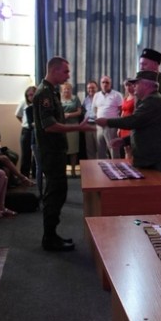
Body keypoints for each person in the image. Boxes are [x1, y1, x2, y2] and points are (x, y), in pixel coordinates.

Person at [96, 71, 161, 213]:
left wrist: (107, 121)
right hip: (157, 158)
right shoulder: (148, 101)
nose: (133, 86)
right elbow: (145, 129)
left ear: (146, 85)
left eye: (136, 83)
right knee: (159, 201)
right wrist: (124, 140)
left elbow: (134, 121)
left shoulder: (154, 101)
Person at [33, 56, 95, 251]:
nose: (68, 75)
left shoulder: (51, 91)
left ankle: (52, 235)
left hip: (57, 150)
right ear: (54, 70)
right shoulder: (44, 93)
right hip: (50, 151)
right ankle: (49, 238)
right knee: (54, 194)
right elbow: (50, 126)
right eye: (66, 71)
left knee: (58, 193)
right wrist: (77, 128)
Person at [93, 75, 122, 159]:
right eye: (103, 82)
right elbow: (95, 108)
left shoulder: (117, 95)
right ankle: (103, 167)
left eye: (107, 82)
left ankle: (116, 166)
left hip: (111, 125)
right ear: (100, 84)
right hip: (99, 126)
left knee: (113, 148)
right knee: (100, 149)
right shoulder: (96, 95)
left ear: (110, 84)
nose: (105, 84)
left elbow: (121, 110)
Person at [60, 82, 82, 177]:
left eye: (68, 88)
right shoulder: (58, 99)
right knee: (62, 150)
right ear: (62, 90)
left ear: (71, 90)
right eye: (64, 89)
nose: (66, 90)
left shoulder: (75, 98)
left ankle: (73, 171)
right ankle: (63, 171)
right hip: (61, 126)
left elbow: (79, 112)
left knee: (73, 149)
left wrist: (69, 115)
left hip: (73, 126)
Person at [15, 86, 37, 177]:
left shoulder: (41, 103)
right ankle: (24, 176)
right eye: (28, 95)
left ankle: (36, 174)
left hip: (37, 131)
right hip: (27, 130)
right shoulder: (23, 103)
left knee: (37, 154)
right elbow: (18, 115)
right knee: (26, 153)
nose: (30, 97)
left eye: (32, 94)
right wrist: (25, 123)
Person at [118, 79, 136, 160]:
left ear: (133, 85)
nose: (128, 87)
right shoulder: (125, 98)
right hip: (124, 126)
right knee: (126, 149)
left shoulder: (136, 97)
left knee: (132, 148)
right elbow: (122, 113)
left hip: (131, 126)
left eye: (129, 85)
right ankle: (127, 165)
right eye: (126, 85)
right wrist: (119, 127)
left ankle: (133, 165)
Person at [82, 80, 99, 159]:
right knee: (89, 148)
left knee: (100, 147)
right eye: (89, 88)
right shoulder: (86, 99)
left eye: (93, 87)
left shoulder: (101, 98)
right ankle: (91, 165)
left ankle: (101, 166)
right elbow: (84, 111)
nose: (91, 89)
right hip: (88, 125)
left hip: (98, 125)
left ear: (97, 88)